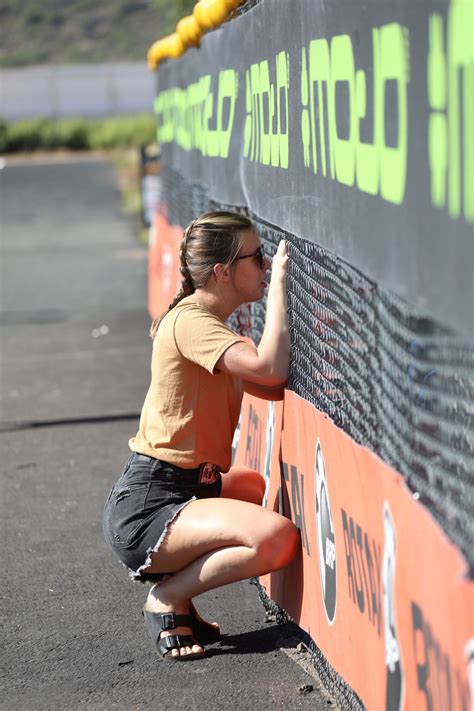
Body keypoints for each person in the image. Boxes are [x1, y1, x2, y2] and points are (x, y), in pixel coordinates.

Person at [102, 211, 300, 661]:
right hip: (151, 506)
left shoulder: (209, 325)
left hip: (188, 486)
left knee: (249, 486)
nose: (266, 266)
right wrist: (282, 291)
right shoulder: (191, 322)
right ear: (223, 272)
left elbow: (268, 385)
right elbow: (271, 369)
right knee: (276, 539)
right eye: (258, 257)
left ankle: (180, 593)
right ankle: (169, 597)